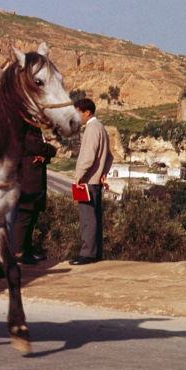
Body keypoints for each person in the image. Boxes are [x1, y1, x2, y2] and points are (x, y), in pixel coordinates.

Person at [69, 98, 112, 265]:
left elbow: (88, 157)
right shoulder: (101, 127)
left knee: (87, 218)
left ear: (87, 112)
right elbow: (109, 156)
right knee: (94, 217)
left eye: (77, 113)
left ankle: (87, 254)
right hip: (95, 180)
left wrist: (77, 177)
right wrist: (104, 173)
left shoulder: (92, 128)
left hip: (87, 181)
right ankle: (96, 253)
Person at [11, 125, 57, 264]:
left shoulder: (30, 128)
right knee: (24, 218)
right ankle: (19, 252)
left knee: (31, 219)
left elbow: (37, 151)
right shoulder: (26, 129)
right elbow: (36, 147)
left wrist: (44, 157)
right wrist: (52, 149)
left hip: (33, 183)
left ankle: (27, 251)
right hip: (27, 183)